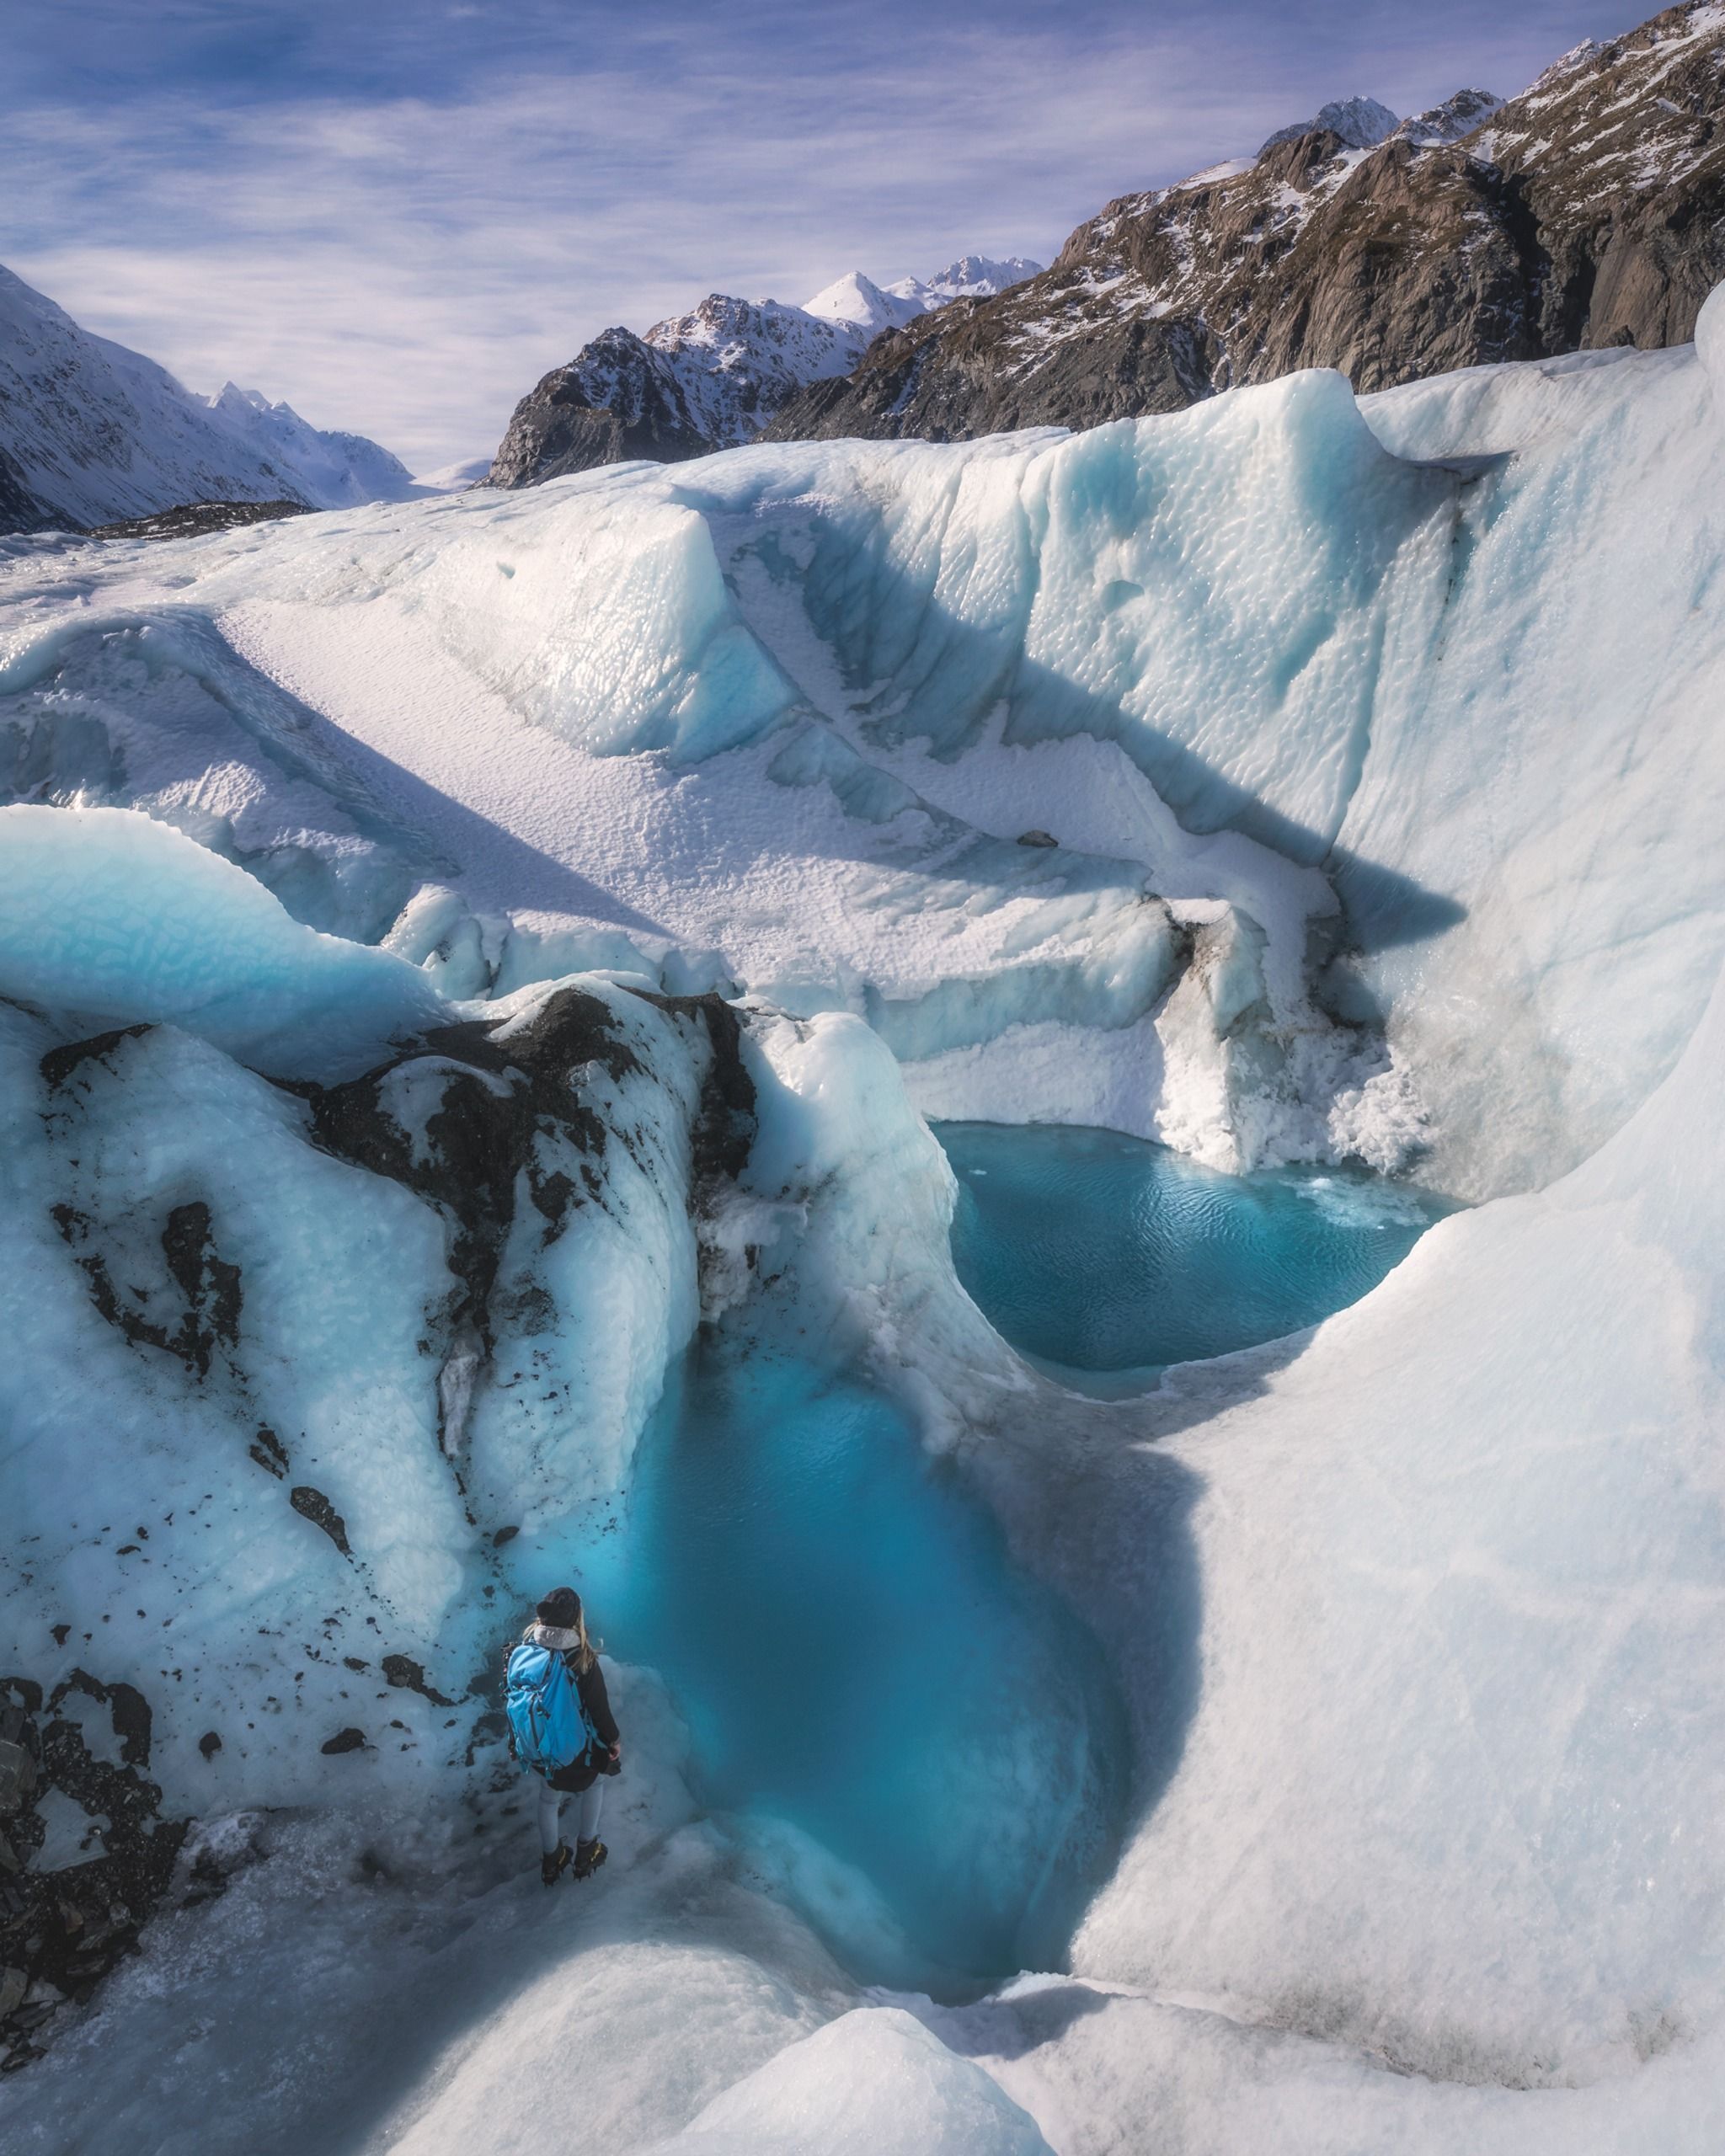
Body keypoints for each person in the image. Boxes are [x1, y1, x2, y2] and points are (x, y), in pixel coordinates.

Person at [518, 1585, 622, 1886]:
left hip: (540, 1748)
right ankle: (586, 1851)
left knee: (549, 1798)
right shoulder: (581, 1659)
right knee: (596, 1782)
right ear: (577, 1618)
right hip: (576, 1753)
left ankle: (552, 1860)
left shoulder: (526, 1650)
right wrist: (613, 1741)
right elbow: (599, 1710)